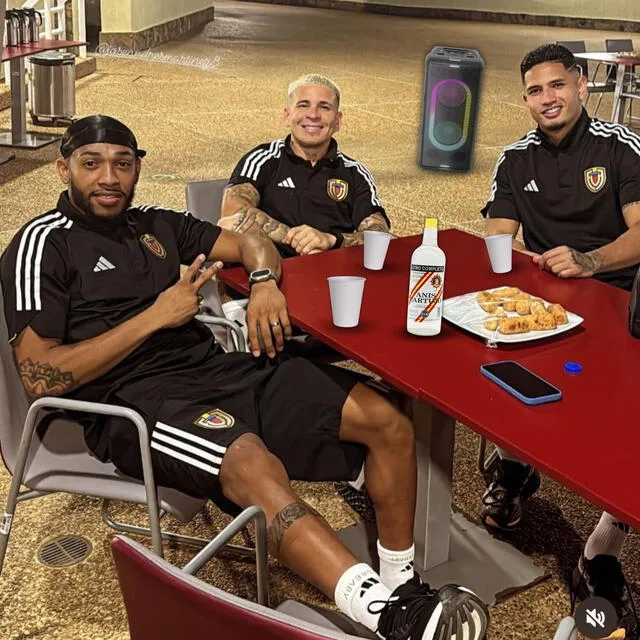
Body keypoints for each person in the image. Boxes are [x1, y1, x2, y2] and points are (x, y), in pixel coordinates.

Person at [0, 115, 490, 640]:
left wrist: (263, 284)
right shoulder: (42, 244)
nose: (109, 178)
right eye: (91, 164)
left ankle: (401, 584)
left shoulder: (156, 226)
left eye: (123, 164)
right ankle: (388, 616)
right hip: (133, 403)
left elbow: (253, 242)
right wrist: (156, 316)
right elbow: (43, 379)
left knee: (386, 417)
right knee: (252, 462)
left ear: (138, 168)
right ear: (62, 169)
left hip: (217, 368)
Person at [481, 44, 640, 617]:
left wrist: (592, 262)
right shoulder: (514, 159)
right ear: (525, 99)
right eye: (535, 90)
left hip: (617, 303)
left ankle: (601, 551)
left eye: (557, 85)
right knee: (487, 365)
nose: (547, 98)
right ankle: (516, 466)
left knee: (626, 428)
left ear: (580, 86)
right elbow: (498, 239)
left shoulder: (621, 148)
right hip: (545, 306)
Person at [218, 74, 391, 256]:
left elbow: (378, 234)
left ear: (338, 121)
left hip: (333, 275)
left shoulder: (355, 173)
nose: (313, 115)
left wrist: (331, 240)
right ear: (287, 116)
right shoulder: (262, 159)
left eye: (324, 107)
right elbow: (232, 213)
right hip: (272, 273)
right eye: (303, 105)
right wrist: (296, 238)